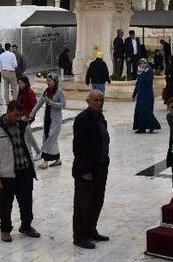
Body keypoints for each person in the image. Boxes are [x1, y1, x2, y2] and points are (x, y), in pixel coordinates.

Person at [0, 99, 41, 242]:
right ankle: (5, 229)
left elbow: (31, 140)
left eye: (20, 115)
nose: (18, 118)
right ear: (8, 112)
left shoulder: (23, 125)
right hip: (6, 174)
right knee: (5, 204)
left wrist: (39, 153)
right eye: (15, 115)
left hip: (25, 171)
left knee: (26, 202)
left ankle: (26, 225)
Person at [72, 90, 110, 249]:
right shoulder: (82, 119)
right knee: (83, 203)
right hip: (86, 170)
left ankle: (91, 229)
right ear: (88, 101)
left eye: (101, 100)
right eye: (96, 100)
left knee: (97, 200)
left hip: (100, 166)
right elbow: (79, 148)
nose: (99, 103)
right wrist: (85, 171)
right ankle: (80, 236)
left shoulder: (101, 117)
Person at [30, 72, 66, 168]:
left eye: (50, 81)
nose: (48, 83)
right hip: (47, 118)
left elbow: (63, 104)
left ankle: (46, 161)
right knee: (47, 138)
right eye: (47, 81)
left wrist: (51, 102)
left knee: (50, 138)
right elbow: (39, 103)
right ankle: (56, 159)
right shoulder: (46, 91)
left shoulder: (59, 92)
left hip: (56, 119)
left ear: (55, 81)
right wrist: (32, 113)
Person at [132, 59, 161, 134]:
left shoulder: (150, 72)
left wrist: (143, 73)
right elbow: (138, 84)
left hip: (148, 95)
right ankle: (142, 127)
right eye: (141, 63)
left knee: (146, 111)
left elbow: (148, 81)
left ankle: (150, 126)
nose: (142, 65)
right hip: (141, 95)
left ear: (146, 64)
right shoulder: (139, 72)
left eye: (144, 63)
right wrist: (134, 95)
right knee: (139, 111)